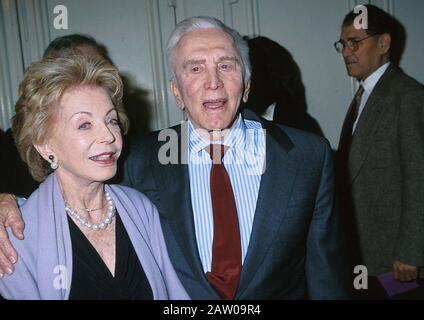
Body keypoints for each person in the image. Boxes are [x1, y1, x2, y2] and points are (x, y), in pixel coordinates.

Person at [0, 16, 349, 299]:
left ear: (246, 84)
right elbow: (69, 189)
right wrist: (6, 202)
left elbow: (327, 279)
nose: (213, 82)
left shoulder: (307, 156)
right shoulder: (137, 159)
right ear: (175, 91)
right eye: (194, 69)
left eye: (226, 65)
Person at [0, 51, 188, 300]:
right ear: (45, 144)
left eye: (111, 120)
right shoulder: (17, 235)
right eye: (84, 125)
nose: (109, 136)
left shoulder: (140, 208)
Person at [334, 5, 424, 298]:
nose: (347, 52)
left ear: (383, 43)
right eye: (343, 44)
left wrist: (411, 252)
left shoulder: (407, 96)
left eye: (355, 42)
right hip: (365, 253)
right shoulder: (363, 95)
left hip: (396, 260)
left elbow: (419, 180)